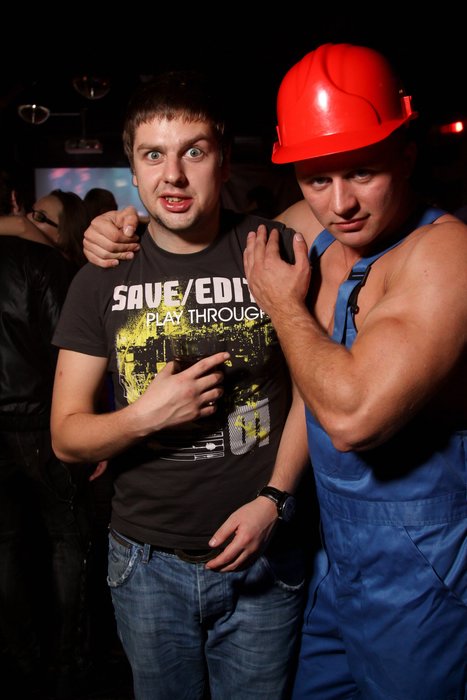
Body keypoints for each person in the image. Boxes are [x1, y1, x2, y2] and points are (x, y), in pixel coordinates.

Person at [50, 70, 312, 700]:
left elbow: (313, 387)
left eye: (193, 152)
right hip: (147, 564)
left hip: (264, 555)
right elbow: (65, 436)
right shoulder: (101, 277)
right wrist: (147, 415)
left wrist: (274, 500)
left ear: (224, 163)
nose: (172, 175)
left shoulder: (273, 248)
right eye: (153, 155)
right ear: (133, 171)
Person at [242, 43, 467, 699]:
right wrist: (121, 229)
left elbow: (351, 417)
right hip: (335, 555)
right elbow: (217, 236)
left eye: (361, 172)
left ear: (406, 154)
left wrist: (285, 306)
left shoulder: (444, 254)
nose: (340, 204)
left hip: (423, 568)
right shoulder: (316, 232)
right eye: (317, 179)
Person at [0, 170, 90, 699]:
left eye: (43, 217)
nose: (30, 221)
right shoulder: (44, 265)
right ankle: (65, 661)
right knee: (63, 539)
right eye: (30, 213)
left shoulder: (43, 264)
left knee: (10, 544)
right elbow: (65, 354)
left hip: (26, 423)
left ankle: (23, 657)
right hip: (42, 420)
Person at [0, 188, 90, 269]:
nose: (28, 217)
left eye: (39, 216)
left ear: (63, 235)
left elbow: (22, 226)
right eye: (31, 211)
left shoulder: (64, 269)